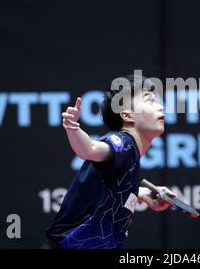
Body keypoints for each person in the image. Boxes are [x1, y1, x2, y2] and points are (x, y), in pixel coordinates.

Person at [44, 74, 174, 249]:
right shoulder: (124, 144)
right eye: (149, 100)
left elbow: (110, 184)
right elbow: (89, 149)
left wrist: (140, 193)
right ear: (128, 115)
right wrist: (73, 127)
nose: (160, 107)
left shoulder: (130, 155)